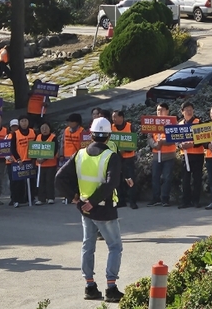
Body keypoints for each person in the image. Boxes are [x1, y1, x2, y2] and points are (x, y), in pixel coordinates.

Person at [55, 117, 125, 303]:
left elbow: (59, 178)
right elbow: (111, 184)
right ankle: (111, 288)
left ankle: (90, 286)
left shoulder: (80, 154)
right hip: (104, 209)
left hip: (85, 209)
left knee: (88, 246)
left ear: (91, 134)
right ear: (108, 135)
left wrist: (76, 199)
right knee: (115, 247)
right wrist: (93, 201)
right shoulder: (111, 156)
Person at [178, 102, 206, 208]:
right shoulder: (180, 124)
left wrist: (192, 144)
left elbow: (203, 137)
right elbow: (175, 139)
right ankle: (185, 201)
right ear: (182, 112)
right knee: (185, 179)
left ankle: (196, 201)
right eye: (187, 110)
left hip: (197, 154)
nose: (189, 112)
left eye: (191, 109)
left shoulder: (198, 122)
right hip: (185, 155)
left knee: (197, 179)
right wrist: (180, 145)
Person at [148, 103, 177, 207]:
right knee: (155, 177)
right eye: (158, 110)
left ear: (167, 111)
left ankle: (165, 199)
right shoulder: (153, 122)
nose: (159, 112)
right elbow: (149, 137)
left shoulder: (172, 122)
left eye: (161, 110)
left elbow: (174, 137)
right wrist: (155, 144)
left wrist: (163, 142)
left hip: (169, 155)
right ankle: (156, 198)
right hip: (156, 154)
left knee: (167, 178)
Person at [8, 115, 37, 208]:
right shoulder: (15, 134)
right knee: (18, 182)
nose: (24, 123)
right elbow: (12, 148)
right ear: (19, 123)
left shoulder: (33, 132)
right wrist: (18, 159)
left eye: (25, 121)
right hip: (19, 162)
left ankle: (31, 198)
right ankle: (17, 200)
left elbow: (37, 145)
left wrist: (34, 158)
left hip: (30, 160)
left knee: (32, 180)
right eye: (22, 121)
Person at [111, 110, 138, 209]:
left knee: (130, 180)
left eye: (115, 117)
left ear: (121, 117)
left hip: (128, 158)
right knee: (117, 180)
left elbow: (134, 143)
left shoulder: (130, 126)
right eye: (113, 117)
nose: (114, 119)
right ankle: (120, 200)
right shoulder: (111, 127)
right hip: (116, 158)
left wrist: (124, 150)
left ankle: (132, 201)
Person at [36, 122, 60, 204]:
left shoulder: (53, 137)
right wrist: (36, 158)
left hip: (51, 164)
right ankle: (41, 198)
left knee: (49, 181)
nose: (44, 130)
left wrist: (44, 158)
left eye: (46, 128)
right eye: (42, 128)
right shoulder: (37, 137)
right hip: (39, 164)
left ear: (50, 129)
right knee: (40, 181)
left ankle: (50, 197)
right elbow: (33, 149)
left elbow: (54, 150)